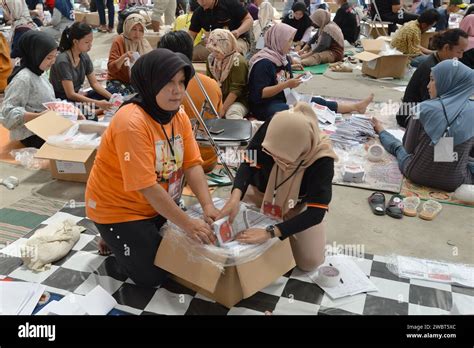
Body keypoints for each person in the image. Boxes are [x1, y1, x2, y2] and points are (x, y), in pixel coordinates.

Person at [85, 49, 220, 287]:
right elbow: (147, 186)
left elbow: (192, 164)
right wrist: (188, 224)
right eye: (168, 82)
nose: (177, 90)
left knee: (181, 255)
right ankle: (111, 234)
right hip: (118, 209)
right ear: (149, 84)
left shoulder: (177, 115)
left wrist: (208, 206)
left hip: (155, 204)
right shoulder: (131, 123)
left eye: (181, 82)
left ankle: (122, 239)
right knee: (152, 277)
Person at [216, 102, 337, 271]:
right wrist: (235, 198)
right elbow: (249, 162)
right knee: (230, 239)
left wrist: (270, 232)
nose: (277, 161)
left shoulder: (322, 158)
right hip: (261, 193)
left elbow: (316, 212)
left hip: (296, 205)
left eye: (284, 159)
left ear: (301, 151)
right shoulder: (273, 126)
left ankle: (283, 231)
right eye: (272, 154)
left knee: (310, 262)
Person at [372, 60, 473, 192]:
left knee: (398, 148)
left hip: (417, 174)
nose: (428, 85)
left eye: (432, 80)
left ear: (446, 82)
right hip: (455, 182)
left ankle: (381, 131)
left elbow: (408, 148)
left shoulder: (423, 109)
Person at [248, 23, 373, 121]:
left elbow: (284, 81)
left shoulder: (282, 58)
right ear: (279, 40)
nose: (291, 45)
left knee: (315, 102)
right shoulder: (263, 63)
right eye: (289, 40)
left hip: (283, 98)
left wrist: (295, 80)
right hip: (265, 105)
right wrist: (286, 85)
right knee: (298, 111)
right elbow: (260, 93)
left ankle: (356, 107)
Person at [159, 30, 223, 173]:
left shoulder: (161, 89)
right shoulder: (211, 84)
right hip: (209, 159)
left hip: (176, 165)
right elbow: (219, 117)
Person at [396, 29, 469, 127]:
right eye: (459, 52)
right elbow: (430, 105)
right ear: (446, 48)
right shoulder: (431, 69)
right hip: (411, 117)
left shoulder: (441, 63)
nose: (461, 56)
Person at [0, 31, 58, 148]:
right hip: (30, 133)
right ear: (35, 55)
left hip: (45, 123)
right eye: (49, 58)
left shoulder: (38, 72)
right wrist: (38, 116)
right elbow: (6, 113)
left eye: (54, 57)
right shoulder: (23, 79)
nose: (53, 61)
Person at [49, 22, 112, 118]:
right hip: (64, 100)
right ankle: (94, 111)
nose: (90, 45)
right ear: (75, 42)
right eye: (87, 42)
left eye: (91, 42)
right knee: (90, 117)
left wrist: (112, 97)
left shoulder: (84, 56)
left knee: (111, 91)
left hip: (77, 95)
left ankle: (93, 108)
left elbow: (95, 84)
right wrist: (98, 103)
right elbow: (70, 94)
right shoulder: (63, 61)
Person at [189, 0, 254, 61]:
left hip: (237, 40)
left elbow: (249, 19)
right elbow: (190, 36)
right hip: (212, 44)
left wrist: (238, 31)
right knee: (191, 54)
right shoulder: (198, 13)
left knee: (230, 55)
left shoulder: (230, 3)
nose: (201, 2)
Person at [206, 29, 249, 119]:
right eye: (212, 50)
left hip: (238, 100)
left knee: (232, 114)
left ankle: (243, 131)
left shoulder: (238, 62)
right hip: (219, 99)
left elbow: (236, 90)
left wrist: (223, 109)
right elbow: (209, 83)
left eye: (217, 51)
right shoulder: (211, 60)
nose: (214, 54)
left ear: (227, 46)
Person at [107, 14, 153, 95]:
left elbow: (152, 64)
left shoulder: (144, 42)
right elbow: (111, 68)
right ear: (127, 27)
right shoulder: (119, 41)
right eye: (134, 29)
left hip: (137, 81)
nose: (137, 34)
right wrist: (124, 56)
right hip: (119, 80)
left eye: (141, 30)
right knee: (124, 96)